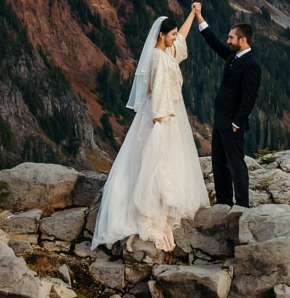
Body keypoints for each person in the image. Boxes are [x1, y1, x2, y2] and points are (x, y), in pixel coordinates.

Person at [89, 13, 208, 251]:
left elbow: (181, 40)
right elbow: (160, 92)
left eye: (175, 34)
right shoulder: (160, 59)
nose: (176, 38)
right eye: (172, 35)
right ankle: (155, 212)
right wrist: (161, 121)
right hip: (163, 115)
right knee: (157, 163)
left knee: (148, 162)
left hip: (163, 112)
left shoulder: (163, 52)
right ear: (162, 35)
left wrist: (193, 15)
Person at [192, 4, 261, 208]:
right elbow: (213, 41)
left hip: (232, 123)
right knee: (219, 163)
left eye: (231, 37)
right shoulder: (232, 55)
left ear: (243, 40)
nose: (228, 40)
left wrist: (237, 123)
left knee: (236, 164)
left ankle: (241, 205)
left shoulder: (252, 64)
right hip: (221, 120)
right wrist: (199, 16)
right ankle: (223, 202)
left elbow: (249, 98)